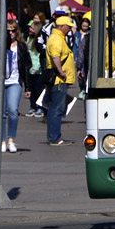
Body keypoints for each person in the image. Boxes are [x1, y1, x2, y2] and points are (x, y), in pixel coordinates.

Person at [1, 13, 31, 153]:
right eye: (8, 31)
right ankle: (2, 141)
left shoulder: (21, 46)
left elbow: (26, 66)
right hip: (0, 82)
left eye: (13, 30)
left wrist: (27, 87)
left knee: (13, 111)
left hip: (14, 81)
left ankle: (11, 139)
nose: (11, 33)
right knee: (1, 113)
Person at [45, 15, 76, 146]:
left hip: (60, 79)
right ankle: (55, 138)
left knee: (55, 108)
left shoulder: (59, 38)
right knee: (56, 109)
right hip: (59, 80)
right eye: (68, 27)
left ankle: (54, 137)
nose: (70, 29)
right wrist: (60, 71)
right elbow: (55, 56)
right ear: (62, 27)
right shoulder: (56, 39)